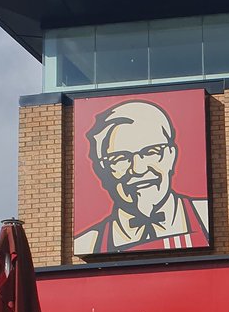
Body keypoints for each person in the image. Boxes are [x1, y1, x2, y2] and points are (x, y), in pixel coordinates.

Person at [74, 99, 211, 255]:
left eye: (151, 152)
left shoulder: (205, 218)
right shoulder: (87, 244)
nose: (138, 169)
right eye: (120, 158)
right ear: (101, 169)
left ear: (171, 156)